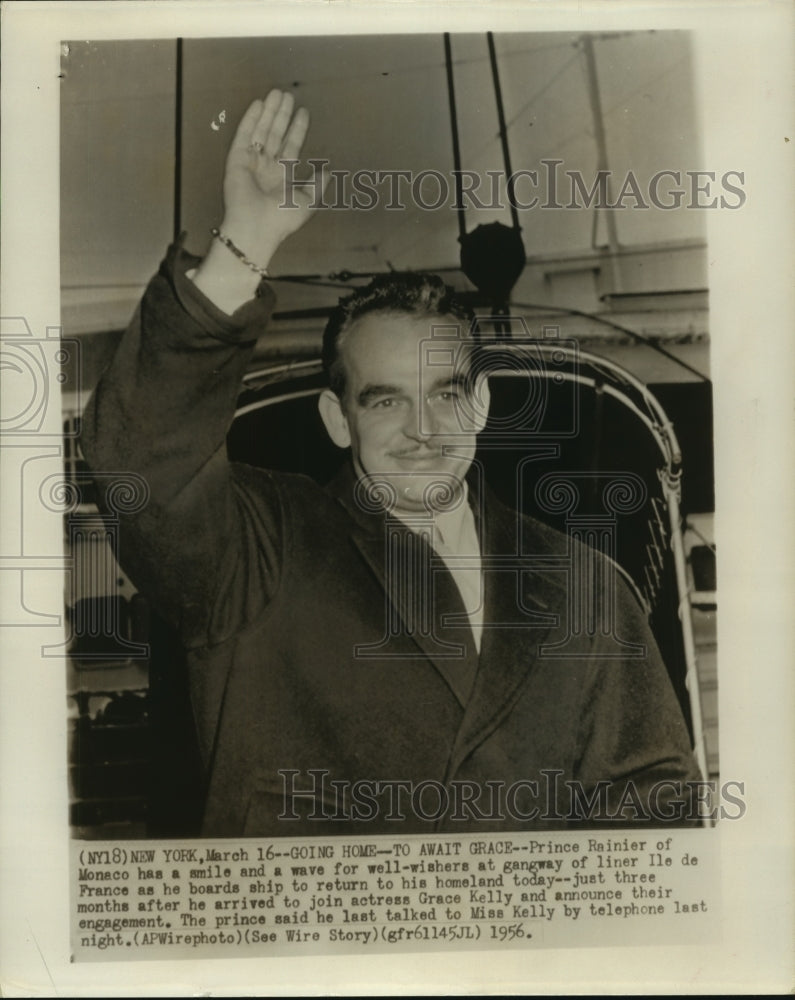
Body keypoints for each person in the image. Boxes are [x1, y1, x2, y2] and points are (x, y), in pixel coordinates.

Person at [81, 90, 701, 837]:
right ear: (336, 420)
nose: (422, 430)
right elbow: (138, 458)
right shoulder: (254, 554)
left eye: (444, 395)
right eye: (383, 402)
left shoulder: (586, 586)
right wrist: (242, 243)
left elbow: (651, 804)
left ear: (479, 405)